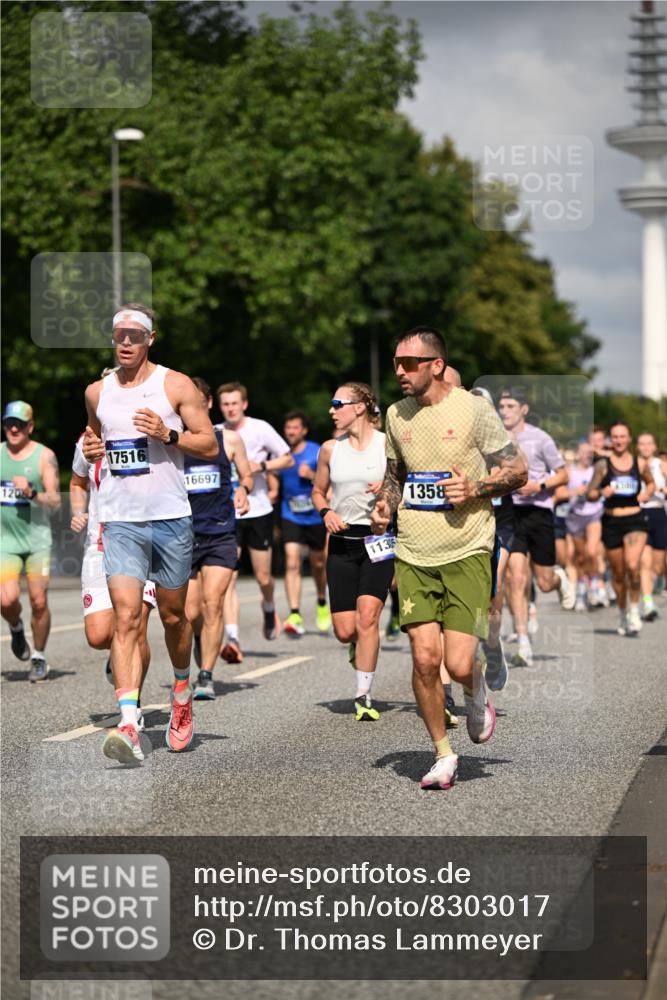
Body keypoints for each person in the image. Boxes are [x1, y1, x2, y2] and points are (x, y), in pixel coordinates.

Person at [371, 327, 527, 790]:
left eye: (410, 363)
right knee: (423, 659)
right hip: (415, 551)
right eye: (396, 363)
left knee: (458, 665)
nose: (400, 371)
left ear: (436, 365)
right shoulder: (397, 416)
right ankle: (442, 754)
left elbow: (518, 471)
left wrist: (475, 488)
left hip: (467, 548)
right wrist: (384, 504)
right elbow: (395, 476)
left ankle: (476, 692)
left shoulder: (474, 409)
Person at [82, 304, 218, 765]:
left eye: (134, 336)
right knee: (125, 617)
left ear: (150, 339)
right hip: (119, 521)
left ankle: (181, 688)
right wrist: (90, 447)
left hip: (170, 518)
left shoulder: (174, 385)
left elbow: (209, 444)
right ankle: (128, 721)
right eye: (118, 334)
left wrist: (168, 433)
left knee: (175, 618)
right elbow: (94, 440)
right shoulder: (96, 392)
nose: (125, 342)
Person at [70, 406, 157, 723]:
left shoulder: (144, 437)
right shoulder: (86, 442)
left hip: (141, 543)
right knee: (98, 635)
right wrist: (78, 511)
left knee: (134, 627)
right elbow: (78, 482)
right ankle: (118, 657)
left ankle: (131, 710)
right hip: (98, 545)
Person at [312, 383, 393, 721]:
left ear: (360, 407)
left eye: (337, 404)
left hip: (378, 539)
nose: (331, 411)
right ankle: (356, 648)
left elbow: (404, 482)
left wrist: (388, 490)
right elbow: (318, 491)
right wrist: (326, 513)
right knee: (346, 630)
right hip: (342, 542)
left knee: (368, 618)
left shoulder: (388, 444)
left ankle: (364, 694)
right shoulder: (330, 448)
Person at [184, 377, 253, 699]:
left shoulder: (230, 439)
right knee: (190, 612)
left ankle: (206, 675)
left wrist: (243, 488)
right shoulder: (174, 441)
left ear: (208, 404)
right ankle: (201, 641)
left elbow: (247, 473)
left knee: (213, 603)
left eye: (198, 402)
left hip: (221, 532)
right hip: (183, 535)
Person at [216, 382, 294, 662]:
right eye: (225, 404)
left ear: (244, 404)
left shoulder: (260, 428)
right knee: (228, 578)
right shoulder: (216, 432)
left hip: (258, 510)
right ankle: (233, 638)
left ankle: (269, 605)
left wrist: (261, 466)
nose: (230, 408)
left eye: (235, 403)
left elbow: (287, 459)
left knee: (263, 577)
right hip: (227, 513)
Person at [498, 388, 575, 668]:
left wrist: (538, 486)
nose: (504, 410)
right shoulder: (495, 438)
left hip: (539, 512)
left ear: (523, 409)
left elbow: (565, 473)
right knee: (515, 577)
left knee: (543, 583)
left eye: (510, 405)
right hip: (510, 513)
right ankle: (523, 643)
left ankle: (560, 578)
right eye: (502, 405)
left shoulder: (540, 438)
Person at [1, 400, 60, 680]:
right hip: (5, 542)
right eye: (8, 423)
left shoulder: (43, 456)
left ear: (30, 427)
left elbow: (55, 502)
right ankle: (15, 628)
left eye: (19, 424)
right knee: (7, 600)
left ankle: (39, 656)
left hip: (38, 541)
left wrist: (32, 494)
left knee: (38, 600)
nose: (13, 428)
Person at [587, 422, 654, 636]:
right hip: (611, 522)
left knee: (633, 565)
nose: (618, 441)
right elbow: (589, 493)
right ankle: (623, 612)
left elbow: (650, 483)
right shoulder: (603, 466)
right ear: (610, 440)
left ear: (629, 438)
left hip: (635, 519)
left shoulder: (639, 463)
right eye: (614, 437)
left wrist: (647, 494)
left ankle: (635, 610)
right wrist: (601, 493)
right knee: (617, 573)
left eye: (622, 436)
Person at [279, 410, 331, 637]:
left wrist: (311, 474)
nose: (291, 432)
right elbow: (272, 473)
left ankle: (321, 600)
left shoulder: (316, 451)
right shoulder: (282, 453)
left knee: (318, 564)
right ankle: (294, 613)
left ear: (304, 430)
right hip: (290, 514)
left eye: (295, 428)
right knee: (292, 561)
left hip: (314, 516)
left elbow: (329, 480)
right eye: (288, 428)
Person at [562, 440, 604, 612]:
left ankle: (593, 586)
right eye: (584, 452)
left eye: (590, 452)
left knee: (592, 552)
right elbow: (559, 493)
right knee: (580, 557)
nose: (587, 455)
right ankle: (580, 592)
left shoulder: (597, 471)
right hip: (575, 516)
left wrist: (596, 493)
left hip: (594, 514)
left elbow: (605, 489)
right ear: (577, 454)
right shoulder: (570, 473)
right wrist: (575, 492)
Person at [637, 431, 666, 621]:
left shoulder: (662, 465)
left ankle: (658, 580)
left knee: (657, 564)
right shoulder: (633, 464)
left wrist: (660, 488)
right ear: (637, 446)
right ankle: (647, 604)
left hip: (658, 512)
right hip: (639, 514)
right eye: (642, 444)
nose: (646, 447)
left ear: (654, 446)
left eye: (649, 444)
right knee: (644, 562)